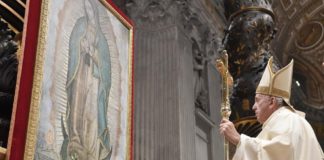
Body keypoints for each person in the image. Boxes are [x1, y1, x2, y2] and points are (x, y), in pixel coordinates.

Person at [220, 57, 324, 160]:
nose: (253, 107)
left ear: (272, 102)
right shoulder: (286, 120)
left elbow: (281, 152)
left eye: (257, 100)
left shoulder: (287, 118)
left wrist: (238, 139)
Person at [61, 0, 112, 159]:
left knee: (91, 112)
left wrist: (94, 53)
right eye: (85, 7)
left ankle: (90, 149)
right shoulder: (80, 24)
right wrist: (80, 47)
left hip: (94, 78)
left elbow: (105, 65)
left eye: (90, 7)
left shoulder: (101, 38)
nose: (87, 9)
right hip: (80, 72)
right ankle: (75, 141)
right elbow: (73, 45)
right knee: (77, 107)